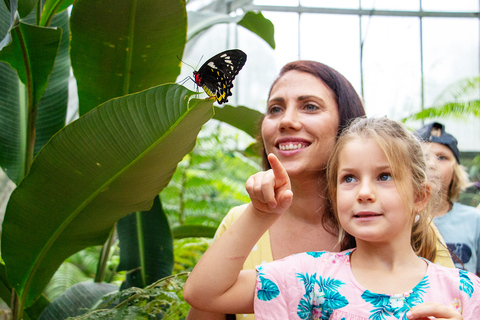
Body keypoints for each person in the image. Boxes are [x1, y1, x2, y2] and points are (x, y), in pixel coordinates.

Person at [185, 61, 453, 320]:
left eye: (310, 106)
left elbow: (452, 301)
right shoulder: (249, 227)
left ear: (346, 125)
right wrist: (258, 214)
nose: (286, 121)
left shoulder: (405, 225)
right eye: (275, 109)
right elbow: (202, 298)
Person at [415, 122, 480, 276]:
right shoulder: (399, 221)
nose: (431, 164)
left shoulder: (474, 220)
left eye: (442, 157)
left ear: (456, 171)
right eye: (423, 157)